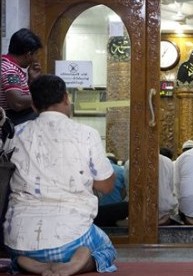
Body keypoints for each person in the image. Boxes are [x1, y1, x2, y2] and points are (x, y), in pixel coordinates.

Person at [2, 74, 117, 275]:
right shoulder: (86, 134)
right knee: (106, 250)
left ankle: (24, 263)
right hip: (71, 239)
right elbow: (106, 186)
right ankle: (76, 263)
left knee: (18, 253)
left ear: (35, 107)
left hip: (19, 239)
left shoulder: (17, 134)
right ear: (66, 98)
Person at [1, 28, 42, 125]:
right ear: (28, 54)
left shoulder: (10, 66)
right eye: (36, 54)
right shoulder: (10, 70)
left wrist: (31, 79)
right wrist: (44, 97)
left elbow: (21, 95)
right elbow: (17, 103)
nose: (36, 59)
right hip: (10, 120)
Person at [94, 153, 128, 227]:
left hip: (99, 209)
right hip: (116, 206)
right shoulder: (120, 170)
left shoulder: (96, 170)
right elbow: (125, 189)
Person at [158, 153, 179, 225]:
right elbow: (171, 187)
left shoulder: (129, 163)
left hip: (137, 214)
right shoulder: (167, 161)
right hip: (164, 213)